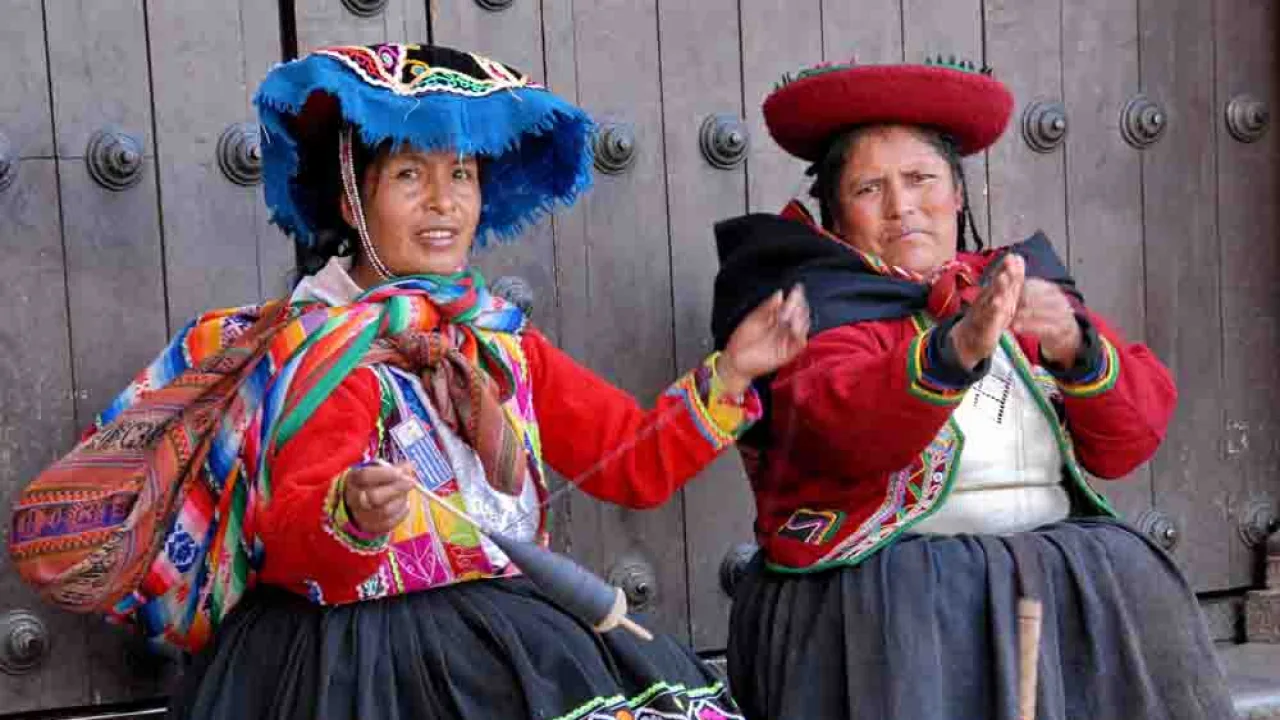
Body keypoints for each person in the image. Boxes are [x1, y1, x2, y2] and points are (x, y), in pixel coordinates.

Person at [11, 43, 809, 720]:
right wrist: (353, 512)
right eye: (408, 176)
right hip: (352, 665)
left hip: (502, 641)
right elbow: (292, 541)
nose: (443, 202)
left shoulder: (496, 342)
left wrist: (730, 374)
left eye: (461, 174)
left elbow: (629, 462)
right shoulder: (322, 350)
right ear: (354, 199)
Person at [711, 57, 1236, 719]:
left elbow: (1128, 442)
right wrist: (955, 350)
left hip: (1056, 572)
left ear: (959, 194)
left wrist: (1076, 347)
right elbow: (845, 426)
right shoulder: (816, 312)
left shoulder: (1018, 286)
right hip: (891, 591)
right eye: (869, 189)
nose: (902, 206)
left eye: (921, 179)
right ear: (836, 217)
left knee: (1134, 574)